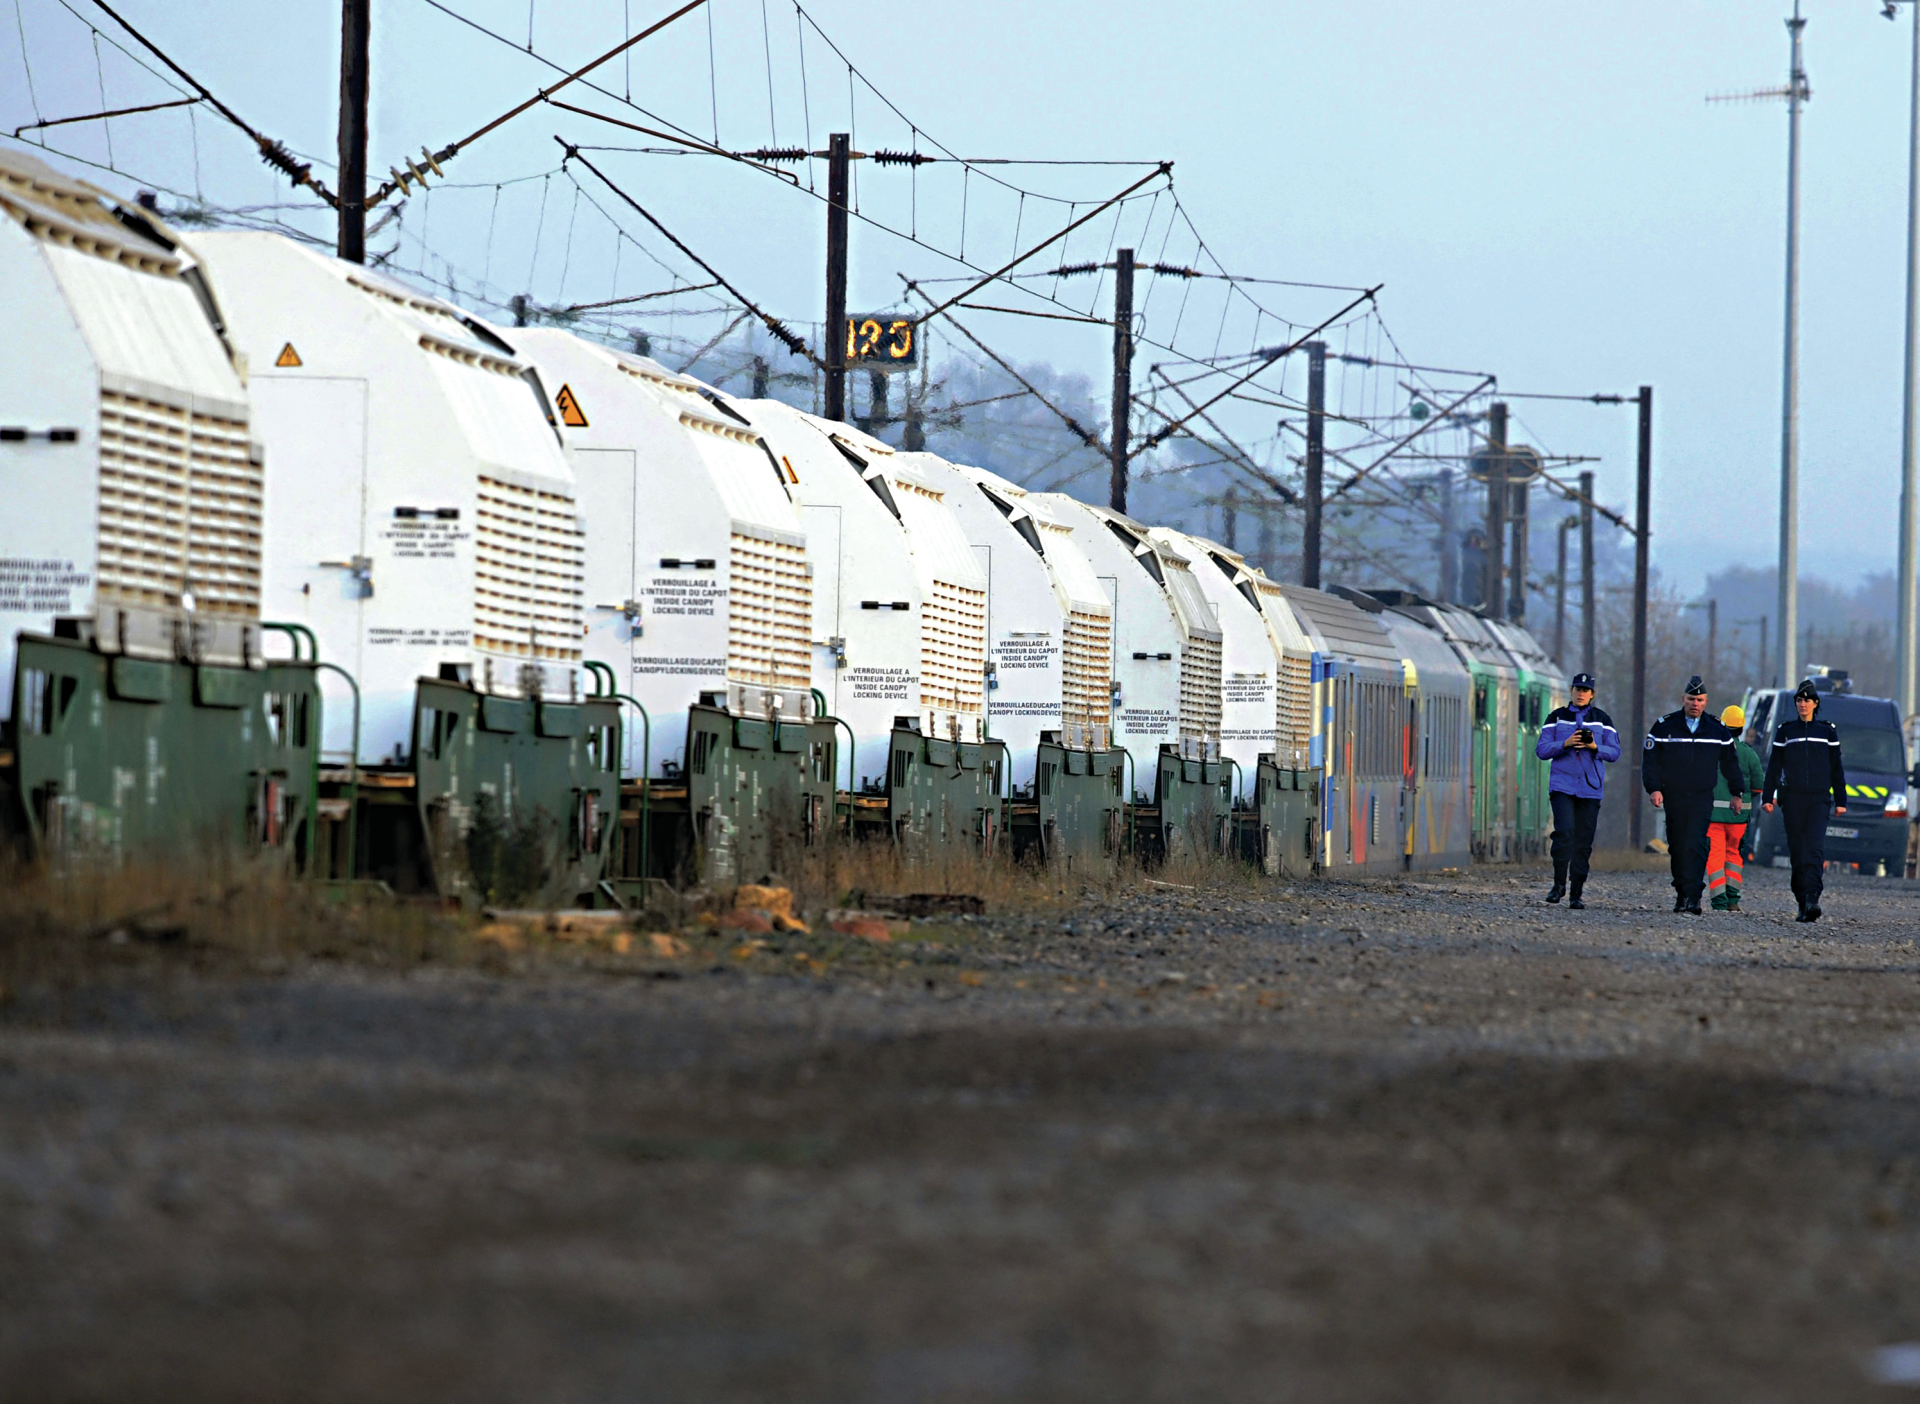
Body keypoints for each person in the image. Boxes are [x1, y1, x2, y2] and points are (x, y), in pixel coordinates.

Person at [1643, 676, 1747, 915]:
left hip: (1701, 796)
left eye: (1700, 699)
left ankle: (1694, 895)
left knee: (1697, 843)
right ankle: (1681, 892)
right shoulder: (1664, 726)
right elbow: (1651, 761)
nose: (1695, 703)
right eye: (1691, 699)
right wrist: (1654, 788)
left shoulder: (1716, 729)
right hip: (1674, 795)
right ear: (1683, 699)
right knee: (1678, 845)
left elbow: (1731, 763)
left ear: (1706, 701)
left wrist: (1737, 792)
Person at [1762, 678, 1848, 922]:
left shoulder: (1827, 732)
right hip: (1793, 800)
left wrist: (1841, 800)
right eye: (1799, 700)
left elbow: (1836, 769)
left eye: (1807, 700)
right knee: (1798, 851)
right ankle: (1802, 900)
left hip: (1820, 800)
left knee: (1814, 849)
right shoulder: (1786, 731)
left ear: (1815, 703)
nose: (1803, 704)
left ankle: (1813, 898)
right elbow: (1774, 767)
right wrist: (1768, 797)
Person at [1536, 671, 1620, 909]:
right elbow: (1541, 750)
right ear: (1571, 692)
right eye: (1577, 689)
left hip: (1591, 788)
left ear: (1592, 694)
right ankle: (1558, 884)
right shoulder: (1557, 717)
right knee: (1564, 834)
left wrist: (1594, 746)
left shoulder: (1602, 719)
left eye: (1585, 690)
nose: (1580, 694)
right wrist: (1565, 743)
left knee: (1583, 841)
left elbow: (1615, 752)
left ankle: (1576, 892)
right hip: (1562, 786)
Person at [1706, 704, 1764, 911]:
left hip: (1713, 816)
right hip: (1739, 818)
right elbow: (1758, 786)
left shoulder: (1711, 750)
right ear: (1741, 729)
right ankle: (1733, 899)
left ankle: (1719, 902)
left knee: (1715, 857)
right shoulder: (1749, 754)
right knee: (1734, 856)